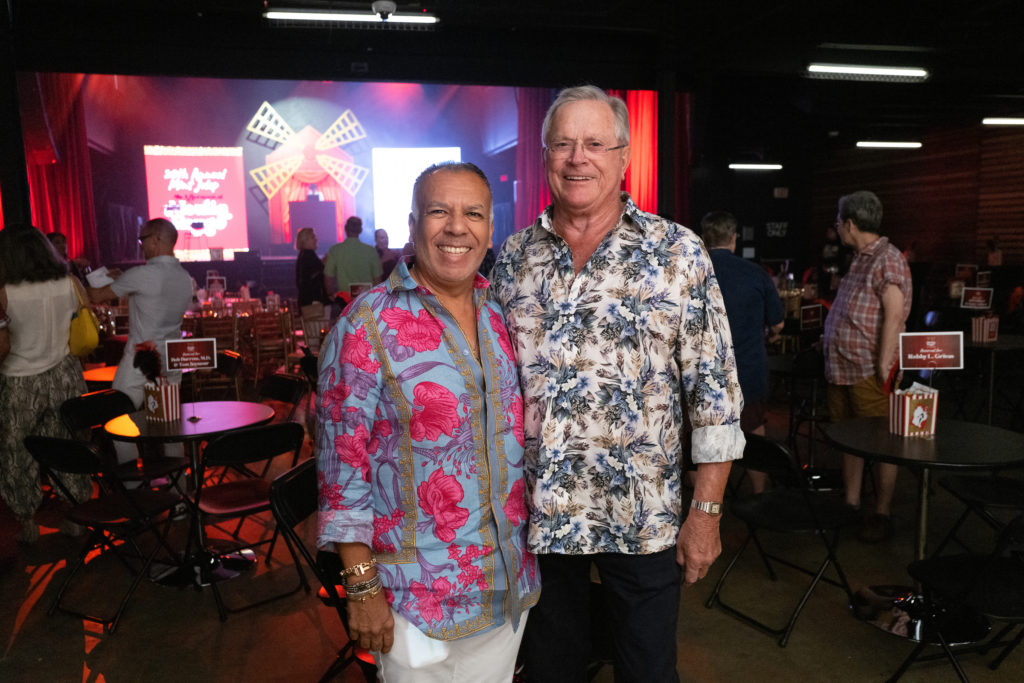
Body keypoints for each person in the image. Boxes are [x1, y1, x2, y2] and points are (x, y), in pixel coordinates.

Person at [490, 85, 744, 682]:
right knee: (550, 671)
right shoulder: (514, 257)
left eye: (595, 143)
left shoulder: (676, 252)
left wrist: (705, 511)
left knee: (648, 671)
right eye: (564, 143)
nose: (579, 157)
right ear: (546, 156)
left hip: (642, 514)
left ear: (624, 156)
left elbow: (715, 397)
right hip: (540, 518)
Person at [317, 162, 540, 682]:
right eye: (439, 211)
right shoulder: (365, 326)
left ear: (490, 229)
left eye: (473, 214)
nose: (456, 227)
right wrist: (363, 591)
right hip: (412, 602)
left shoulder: (501, 314)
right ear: (413, 223)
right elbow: (341, 473)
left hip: (504, 588)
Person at [822, 191, 912, 543]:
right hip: (842, 368)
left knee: (881, 443)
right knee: (848, 440)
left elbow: (894, 313)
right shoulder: (861, 258)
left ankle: (881, 512)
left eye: (838, 222)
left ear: (850, 223)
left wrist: (883, 363)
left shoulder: (886, 259)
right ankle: (852, 504)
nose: (837, 228)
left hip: (867, 372)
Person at [0, 226, 93, 544]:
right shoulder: (69, 283)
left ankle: (26, 521)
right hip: (65, 375)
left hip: (20, 381)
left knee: (17, 455)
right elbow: (86, 318)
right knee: (68, 447)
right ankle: (76, 515)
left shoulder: (5, 292)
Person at [703, 211, 784, 493]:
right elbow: (778, 324)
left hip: (703, 374)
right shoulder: (756, 274)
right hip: (747, 371)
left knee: (701, 437)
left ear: (704, 238)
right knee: (753, 431)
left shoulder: (690, 271)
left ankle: (706, 503)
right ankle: (760, 494)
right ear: (734, 239)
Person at [88, 217, 192, 416]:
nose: (141, 245)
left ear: (156, 239)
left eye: (142, 239)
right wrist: (124, 278)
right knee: (169, 421)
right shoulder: (185, 277)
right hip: (172, 356)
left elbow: (96, 295)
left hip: (142, 356)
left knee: (118, 418)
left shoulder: (142, 274)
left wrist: (74, 280)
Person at [324, 216, 382, 298]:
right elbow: (378, 279)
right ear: (360, 230)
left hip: (344, 299)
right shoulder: (371, 251)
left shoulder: (335, 250)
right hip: (366, 299)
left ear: (345, 229)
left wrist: (331, 295)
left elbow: (328, 277)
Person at [294, 227, 329, 311]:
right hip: (314, 302)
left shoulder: (303, 256)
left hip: (307, 301)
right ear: (305, 241)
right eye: (313, 237)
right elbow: (315, 275)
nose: (316, 240)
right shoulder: (309, 255)